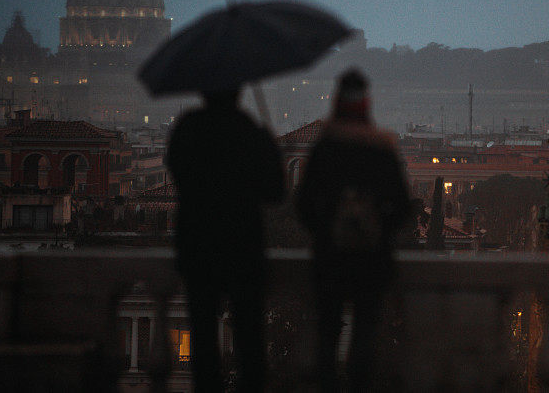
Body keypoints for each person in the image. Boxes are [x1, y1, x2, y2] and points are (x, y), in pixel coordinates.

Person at [297, 69, 411, 392]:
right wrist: (377, 230)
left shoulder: (325, 148)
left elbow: (303, 204)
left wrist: (325, 231)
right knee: (364, 337)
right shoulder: (381, 149)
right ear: (366, 104)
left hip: (329, 259)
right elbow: (402, 206)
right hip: (371, 261)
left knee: (327, 336)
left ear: (336, 102)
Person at [166, 87, 284, 392]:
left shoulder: (188, 128)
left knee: (203, 338)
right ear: (238, 93)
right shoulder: (248, 130)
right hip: (242, 248)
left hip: (198, 247)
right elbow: (275, 192)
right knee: (249, 338)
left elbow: (177, 173)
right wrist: (270, 149)